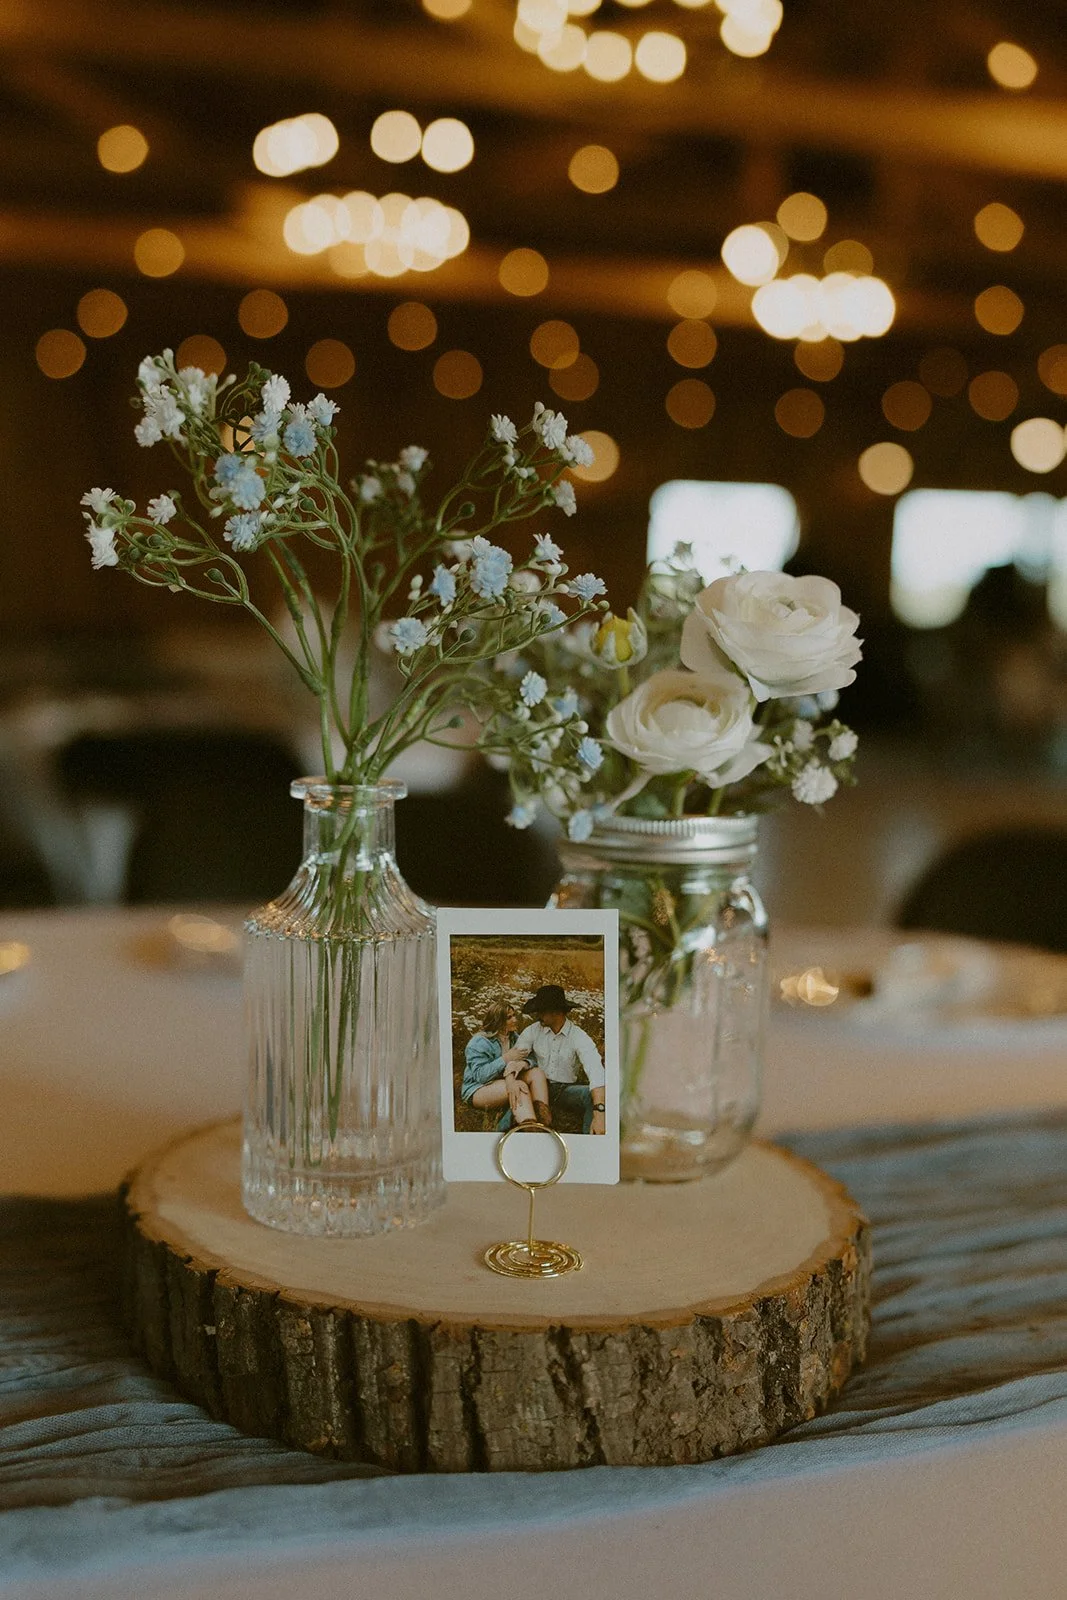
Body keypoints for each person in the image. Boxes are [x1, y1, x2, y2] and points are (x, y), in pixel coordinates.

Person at [500, 984, 607, 1135]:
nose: (538, 1015)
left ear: (556, 1012)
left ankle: (591, 1141)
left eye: (541, 1011)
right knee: (519, 1097)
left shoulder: (578, 1036)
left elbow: (596, 1072)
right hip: (537, 1086)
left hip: (565, 1090)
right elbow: (516, 1057)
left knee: (591, 1096)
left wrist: (600, 1113)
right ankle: (501, 1133)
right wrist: (512, 1080)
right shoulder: (532, 1031)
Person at [459, 1001, 552, 1129]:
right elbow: (480, 1076)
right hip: (478, 1088)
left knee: (537, 1073)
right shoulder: (479, 1042)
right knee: (520, 1086)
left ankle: (544, 1121)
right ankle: (529, 1128)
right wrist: (506, 1059)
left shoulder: (514, 1037)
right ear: (498, 1021)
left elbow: (532, 1058)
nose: (515, 1019)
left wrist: (524, 1063)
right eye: (509, 1017)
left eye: (514, 1015)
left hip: (503, 1080)